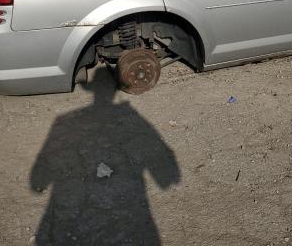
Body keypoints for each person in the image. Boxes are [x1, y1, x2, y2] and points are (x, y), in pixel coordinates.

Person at [30, 77, 180, 245]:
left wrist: (39, 182)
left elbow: (39, 178)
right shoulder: (128, 113)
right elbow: (168, 173)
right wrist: (165, 178)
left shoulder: (64, 120)